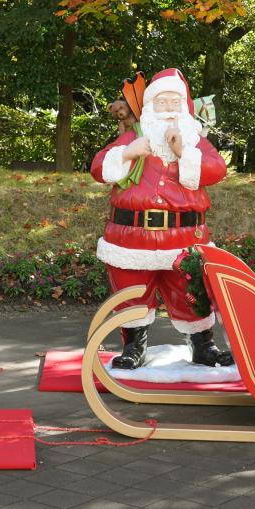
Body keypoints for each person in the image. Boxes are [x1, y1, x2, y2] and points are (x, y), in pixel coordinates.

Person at [90, 68, 233, 369]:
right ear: (150, 107)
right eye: (162, 102)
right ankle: (134, 346)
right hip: (132, 237)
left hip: (184, 238)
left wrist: (183, 152)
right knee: (131, 292)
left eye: (174, 102)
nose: (168, 109)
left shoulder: (195, 144)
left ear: (184, 107)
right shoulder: (134, 138)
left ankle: (203, 345)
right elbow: (99, 167)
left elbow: (217, 169)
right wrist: (127, 152)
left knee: (192, 292)